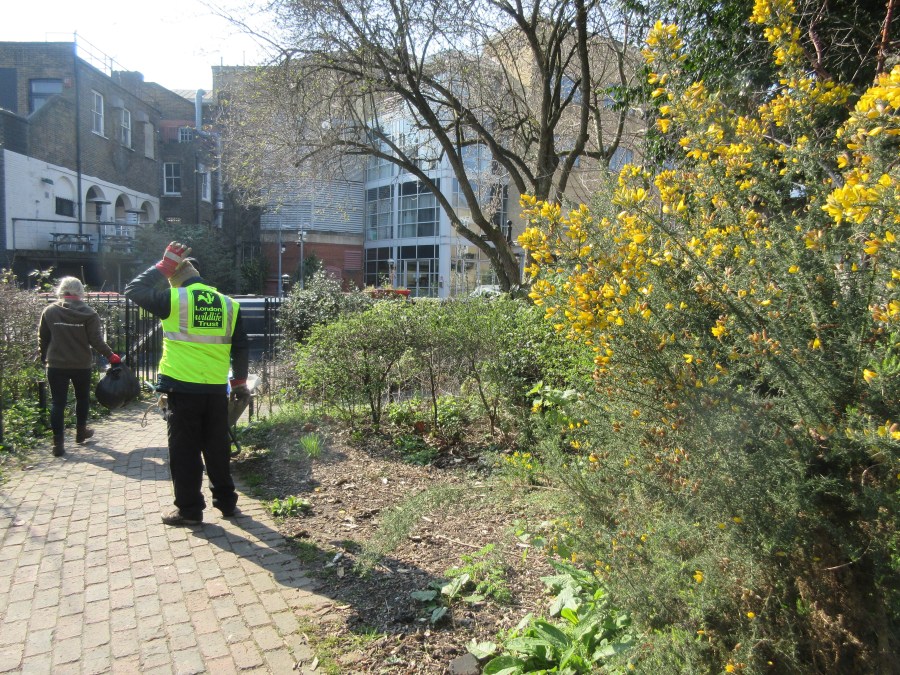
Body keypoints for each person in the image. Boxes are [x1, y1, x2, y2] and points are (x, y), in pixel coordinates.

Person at [125, 242, 250, 526]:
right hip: (217, 389)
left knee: (185, 452)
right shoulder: (229, 304)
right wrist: (239, 382)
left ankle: (190, 510)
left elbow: (133, 290)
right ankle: (227, 504)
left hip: (182, 389)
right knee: (217, 448)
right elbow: (241, 346)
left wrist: (162, 265)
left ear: (174, 277)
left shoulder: (175, 299)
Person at [39, 277, 121, 457]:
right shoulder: (89, 313)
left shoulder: (50, 311)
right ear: (80, 291)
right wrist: (111, 356)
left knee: (57, 403)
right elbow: (96, 341)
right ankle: (80, 432)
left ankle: (58, 444)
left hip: (56, 364)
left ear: (62, 290)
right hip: (81, 364)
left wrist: (43, 358)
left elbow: (43, 339)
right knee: (82, 398)